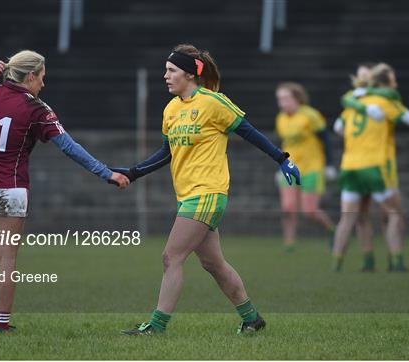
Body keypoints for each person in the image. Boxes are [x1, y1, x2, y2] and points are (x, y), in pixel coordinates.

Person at [110, 44, 300, 335]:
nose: (166, 76)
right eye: (166, 70)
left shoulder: (213, 102)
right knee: (213, 263)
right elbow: (166, 153)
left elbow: (248, 131)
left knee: (170, 257)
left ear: (189, 74)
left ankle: (156, 327)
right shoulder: (171, 109)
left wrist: (282, 159)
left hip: (208, 192)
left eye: (171, 70)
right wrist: (133, 173)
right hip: (188, 195)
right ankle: (252, 319)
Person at [0, 50, 130, 334]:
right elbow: (70, 148)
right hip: (11, 190)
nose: (43, 85)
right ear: (31, 76)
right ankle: (1, 325)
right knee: (6, 259)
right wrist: (106, 173)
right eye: (42, 78)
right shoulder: (37, 109)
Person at [332, 63, 409, 272]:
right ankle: (396, 262)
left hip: (350, 165)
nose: (396, 84)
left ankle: (342, 264)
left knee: (351, 217)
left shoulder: (353, 103)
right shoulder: (385, 101)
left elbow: (337, 128)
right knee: (393, 213)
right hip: (376, 166)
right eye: (393, 80)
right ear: (383, 83)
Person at [274, 82, 335, 251]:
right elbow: (285, 144)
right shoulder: (281, 118)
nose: (282, 102)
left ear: (297, 98)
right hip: (289, 168)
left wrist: (329, 164)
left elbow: (326, 139)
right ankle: (289, 244)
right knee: (288, 208)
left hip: (311, 168)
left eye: (286, 98)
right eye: (280, 99)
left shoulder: (310, 115)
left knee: (309, 211)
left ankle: (332, 231)